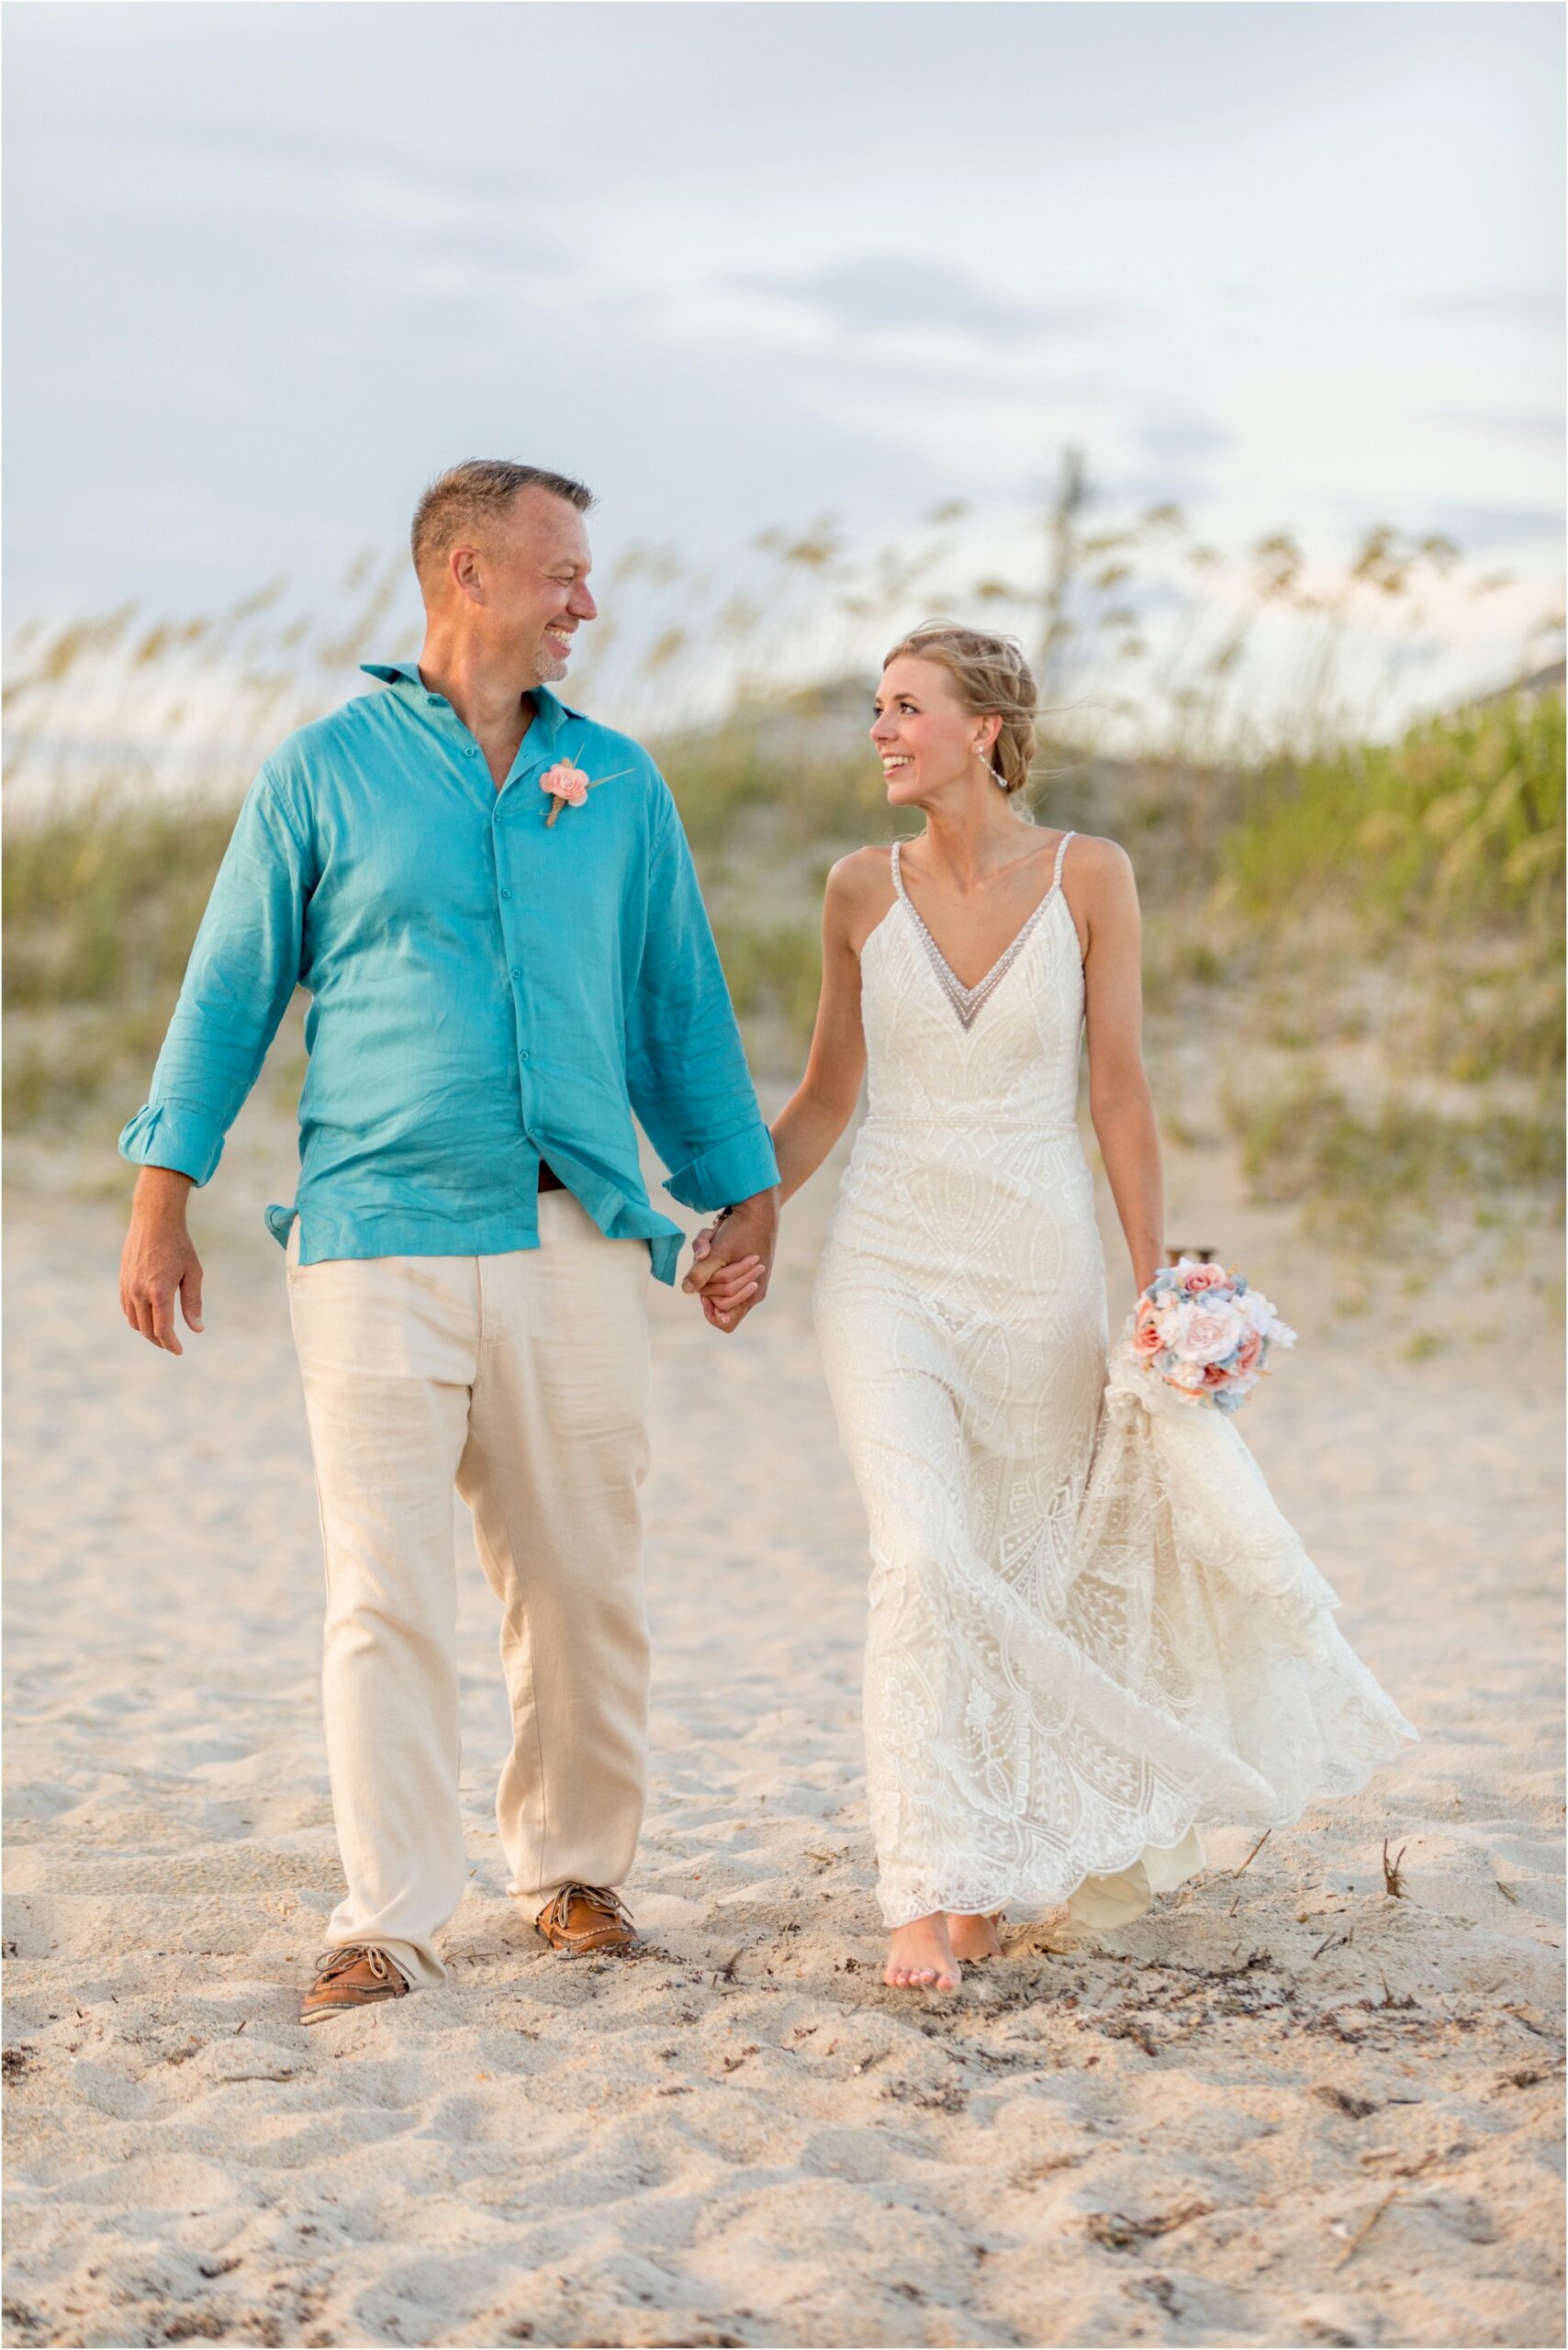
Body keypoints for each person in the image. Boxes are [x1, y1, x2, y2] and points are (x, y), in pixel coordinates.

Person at [118, 461, 780, 2021]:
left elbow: (675, 998)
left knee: (580, 1576)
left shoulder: (615, 782)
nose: (587, 603)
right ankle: (388, 1918)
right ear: (466, 572)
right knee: (384, 1586)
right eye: (564, 574)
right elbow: (228, 994)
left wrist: (736, 1191)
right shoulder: (323, 771)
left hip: (572, 1238)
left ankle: (571, 1872)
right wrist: (165, 1193)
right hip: (369, 1236)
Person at [688, 622, 1416, 1994]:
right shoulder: (856, 889)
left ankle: (989, 1877)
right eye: (875, 708)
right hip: (887, 1271)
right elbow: (828, 1094)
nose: (880, 731)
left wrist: (1158, 1291)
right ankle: (922, 1889)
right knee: (920, 1554)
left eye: (906, 708)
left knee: (1022, 1574)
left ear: (987, 727)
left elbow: (1120, 1093)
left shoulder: (1092, 875)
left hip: (1038, 1273)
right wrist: (748, 1211)